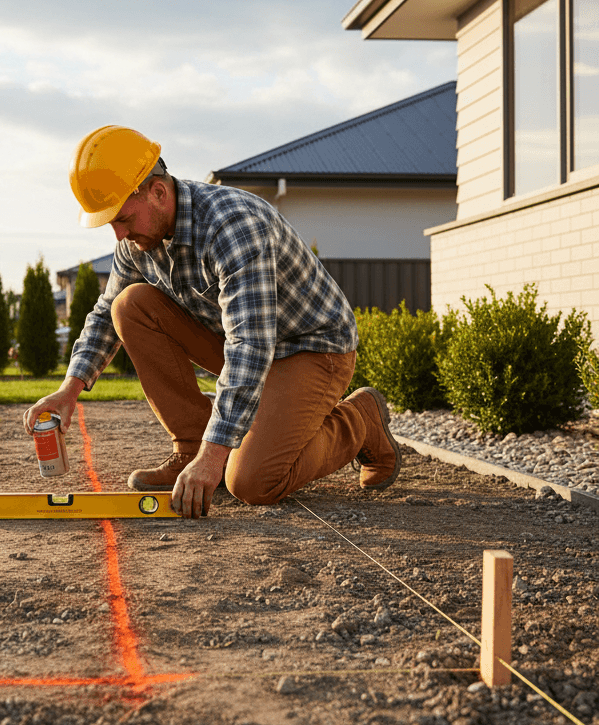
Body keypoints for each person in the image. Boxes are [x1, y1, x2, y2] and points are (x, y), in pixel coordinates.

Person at [23, 125, 401, 518]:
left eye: (122, 218)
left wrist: (215, 454)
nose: (118, 233)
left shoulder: (232, 226)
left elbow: (250, 345)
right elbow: (103, 315)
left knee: (252, 482)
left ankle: (361, 421)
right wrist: (68, 390)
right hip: (244, 344)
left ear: (157, 191)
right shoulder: (137, 242)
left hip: (310, 349)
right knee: (127, 305)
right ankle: (188, 448)